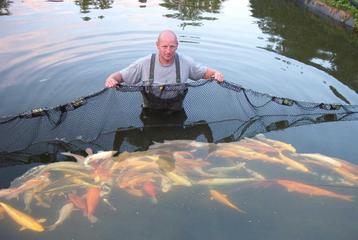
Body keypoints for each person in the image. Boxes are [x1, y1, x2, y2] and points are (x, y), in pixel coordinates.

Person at [105, 29, 224, 89]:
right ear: (157, 45)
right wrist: (111, 79)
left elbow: (206, 73)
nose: (168, 51)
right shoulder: (144, 63)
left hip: (176, 112)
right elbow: (119, 76)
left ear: (177, 45)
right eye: (164, 46)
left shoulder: (186, 62)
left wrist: (216, 73)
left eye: (172, 46)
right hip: (149, 112)